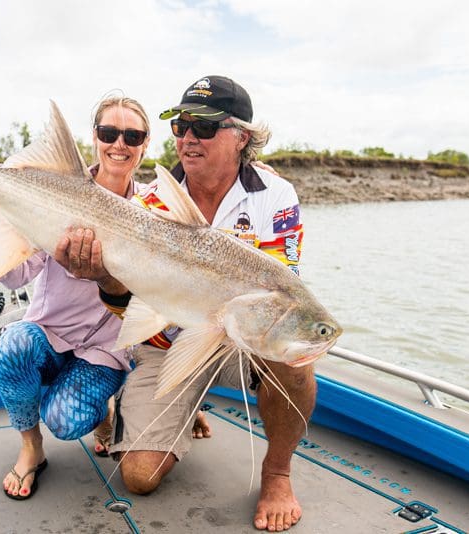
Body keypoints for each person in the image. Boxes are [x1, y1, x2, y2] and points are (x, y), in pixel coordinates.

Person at [55, 75, 312, 531]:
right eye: (181, 125)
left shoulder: (276, 196)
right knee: (138, 478)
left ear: (242, 138)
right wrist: (103, 278)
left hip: (240, 340)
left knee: (296, 356)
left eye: (206, 127)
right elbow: (130, 308)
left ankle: (276, 473)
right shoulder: (148, 202)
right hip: (168, 341)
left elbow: (280, 295)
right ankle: (184, 405)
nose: (190, 137)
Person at [0, 95, 152, 500]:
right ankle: (31, 447)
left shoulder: (154, 208)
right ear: (95, 138)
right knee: (14, 344)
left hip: (105, 350)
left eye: (132, 135)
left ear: (146, 144)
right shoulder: (54, 191)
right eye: (109, 132)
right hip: (50, 334)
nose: (120, 143)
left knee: (67, 421)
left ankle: (102, 410)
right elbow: (15, 276)